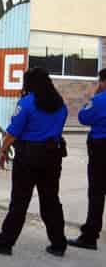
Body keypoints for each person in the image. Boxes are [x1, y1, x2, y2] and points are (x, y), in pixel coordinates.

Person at [0, 67, 68, 257]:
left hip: (29, 157)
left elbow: (13, 132)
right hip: (53, 156)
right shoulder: (60, 104)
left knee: (19, 202)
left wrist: (3, 151)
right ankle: (58, 244)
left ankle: (5, 244)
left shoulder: (27, 103)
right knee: (51, 201)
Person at [68, 68, 106, 251]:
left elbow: (83, 117)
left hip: (101, 148)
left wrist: (94, 97)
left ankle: (90, 236)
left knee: (97, 193)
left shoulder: (99, 100)